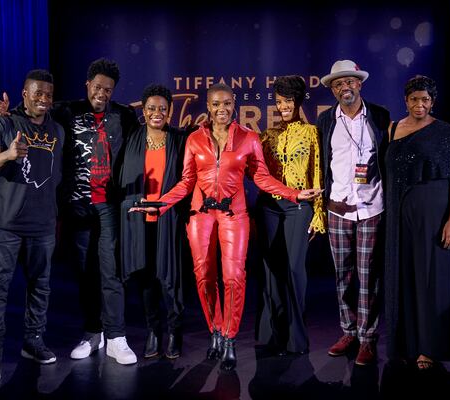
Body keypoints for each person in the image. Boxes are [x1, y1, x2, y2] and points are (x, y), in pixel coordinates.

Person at [131, 83, 320, 371]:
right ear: (209, 106)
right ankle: (216, 332)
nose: (222, 109)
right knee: (204, 276)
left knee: (234, 278)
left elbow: (262, 178)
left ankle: (230, 339)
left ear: (234, 106)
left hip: (234, 214)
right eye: (217, 104)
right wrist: (161, 203)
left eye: (228, 104)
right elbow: (185, 182)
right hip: (201, 214)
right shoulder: (195, 139)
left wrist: (294, 194)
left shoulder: (248, 138)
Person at [0, 58, 139, 364]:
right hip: (76, 206)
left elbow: (150, 140)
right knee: (85, 272)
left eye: (108, 89)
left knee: (110, 271)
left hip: (109, 206)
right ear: (87, 85)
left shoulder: (124, 116)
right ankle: (92, 333)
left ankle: (116, 337)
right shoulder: (66, 110)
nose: (102, 93)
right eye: (98, 86)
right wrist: (8, 117)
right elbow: (35, 113)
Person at [0, 69, 64, 383]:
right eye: (37, 93)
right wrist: (9, 154)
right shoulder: (1, 124)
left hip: (42, 225)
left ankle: (33, 341)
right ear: (24, 93)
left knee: (40, 288)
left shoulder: (57, 130)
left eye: (48, 94)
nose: (43, 99)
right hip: (3, 225)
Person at [384, 75, 450, 370]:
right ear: (406, 100)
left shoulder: (445, 132)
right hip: (398, 215)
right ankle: (406, 343)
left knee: (430, 279)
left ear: (433, 102)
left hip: (434, 216)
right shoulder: (393, 128)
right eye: (414, 99)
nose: (420, 105)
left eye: (425, 100)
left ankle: (429, 348)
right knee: (404, 276)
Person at [316, 60, 390, 365]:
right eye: (337, 84)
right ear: (333, 89)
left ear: (359, 84)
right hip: (337, 210)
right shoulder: (325, 121)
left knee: (368, 276)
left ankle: (367, 338)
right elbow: (323, 162)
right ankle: (348, 331)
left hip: (371, 207)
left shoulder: (380, 116)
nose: (344, 88)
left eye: (349, 82)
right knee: (342, 276)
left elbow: (388, 159)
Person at [118, 84, 192, 359]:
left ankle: (174, 331)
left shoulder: (179, 139)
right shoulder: (132, 138)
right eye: (151, 108)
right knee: (146, 278)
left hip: (169, 218)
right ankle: (152, 329)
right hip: (139, 219)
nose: (157, 113)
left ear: (170, 111)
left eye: (162, 108)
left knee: (170, 278)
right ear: (144, 111)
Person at [255, 75, 327, 355]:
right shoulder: (268, 135)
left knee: (295, 270)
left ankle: (296, 338)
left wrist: (318, 214)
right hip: (269, 207)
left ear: (298, 101)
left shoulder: (311, 133)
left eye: (289, 101)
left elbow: (317, 172)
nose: (283, 106)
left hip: (300, 206)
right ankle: (271, 335)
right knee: (270, 270)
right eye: (280, 101)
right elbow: (257, 173)